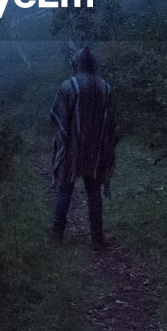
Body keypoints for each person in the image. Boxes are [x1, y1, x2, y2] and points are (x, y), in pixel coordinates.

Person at [49, 45, 119, 247]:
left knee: (64, 189)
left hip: (73, 148)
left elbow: (58, 119)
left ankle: (56, 237)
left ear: (76, 64)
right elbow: (112, 122)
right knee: (94, 192)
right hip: (96, 149)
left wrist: (64, 143)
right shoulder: (105, 87)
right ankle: (97, 238)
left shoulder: (69, 86)